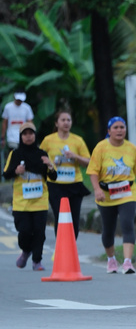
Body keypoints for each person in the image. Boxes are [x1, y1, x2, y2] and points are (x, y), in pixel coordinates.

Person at [87, 116, 136, 274]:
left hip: (127, 192)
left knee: (127, 223)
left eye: (122, 127)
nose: (119, 130)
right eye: (115, 127)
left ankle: (128, 262)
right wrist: (97, 189)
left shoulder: (131, 148)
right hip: (106, 195)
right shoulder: (101, 148)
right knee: (108, 229)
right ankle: (111, 259)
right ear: (109, 131)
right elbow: (93, 171)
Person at [2, 121, 57, 271]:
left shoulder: (42, 154)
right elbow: (5, 174)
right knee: (24, 231)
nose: (28, 136)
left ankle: (37, 261)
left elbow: (54, 177)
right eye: (25, 134)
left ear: (35, 135)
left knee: (39, 232)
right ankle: (26, 250)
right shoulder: (15, 154)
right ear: (21, 137)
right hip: (21, 202)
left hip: (40, 200)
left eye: (31, 133)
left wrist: (50, 165)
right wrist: (16, 171)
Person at [41, 109, 91, 238]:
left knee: (74, 219)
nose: (66, 123)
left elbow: (88, 162)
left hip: (74, 183)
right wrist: (50, 164)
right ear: (56, 123)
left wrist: (75, 156)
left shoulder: (78, 140)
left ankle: (72, 246)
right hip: (55, 184)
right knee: (61, 217)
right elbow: (40, 159)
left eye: (68, 120)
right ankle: (61, 246)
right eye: (63, 120)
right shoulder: (48, 140)